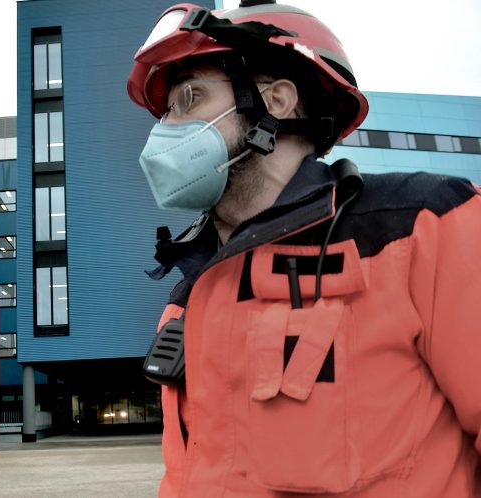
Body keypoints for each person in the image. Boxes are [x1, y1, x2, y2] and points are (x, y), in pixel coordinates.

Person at [128, 1, 481, 496]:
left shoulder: (425, 227)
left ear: (274, 101)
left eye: (189, 97)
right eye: (165, 112)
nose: (165, 129)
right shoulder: (188, 299)